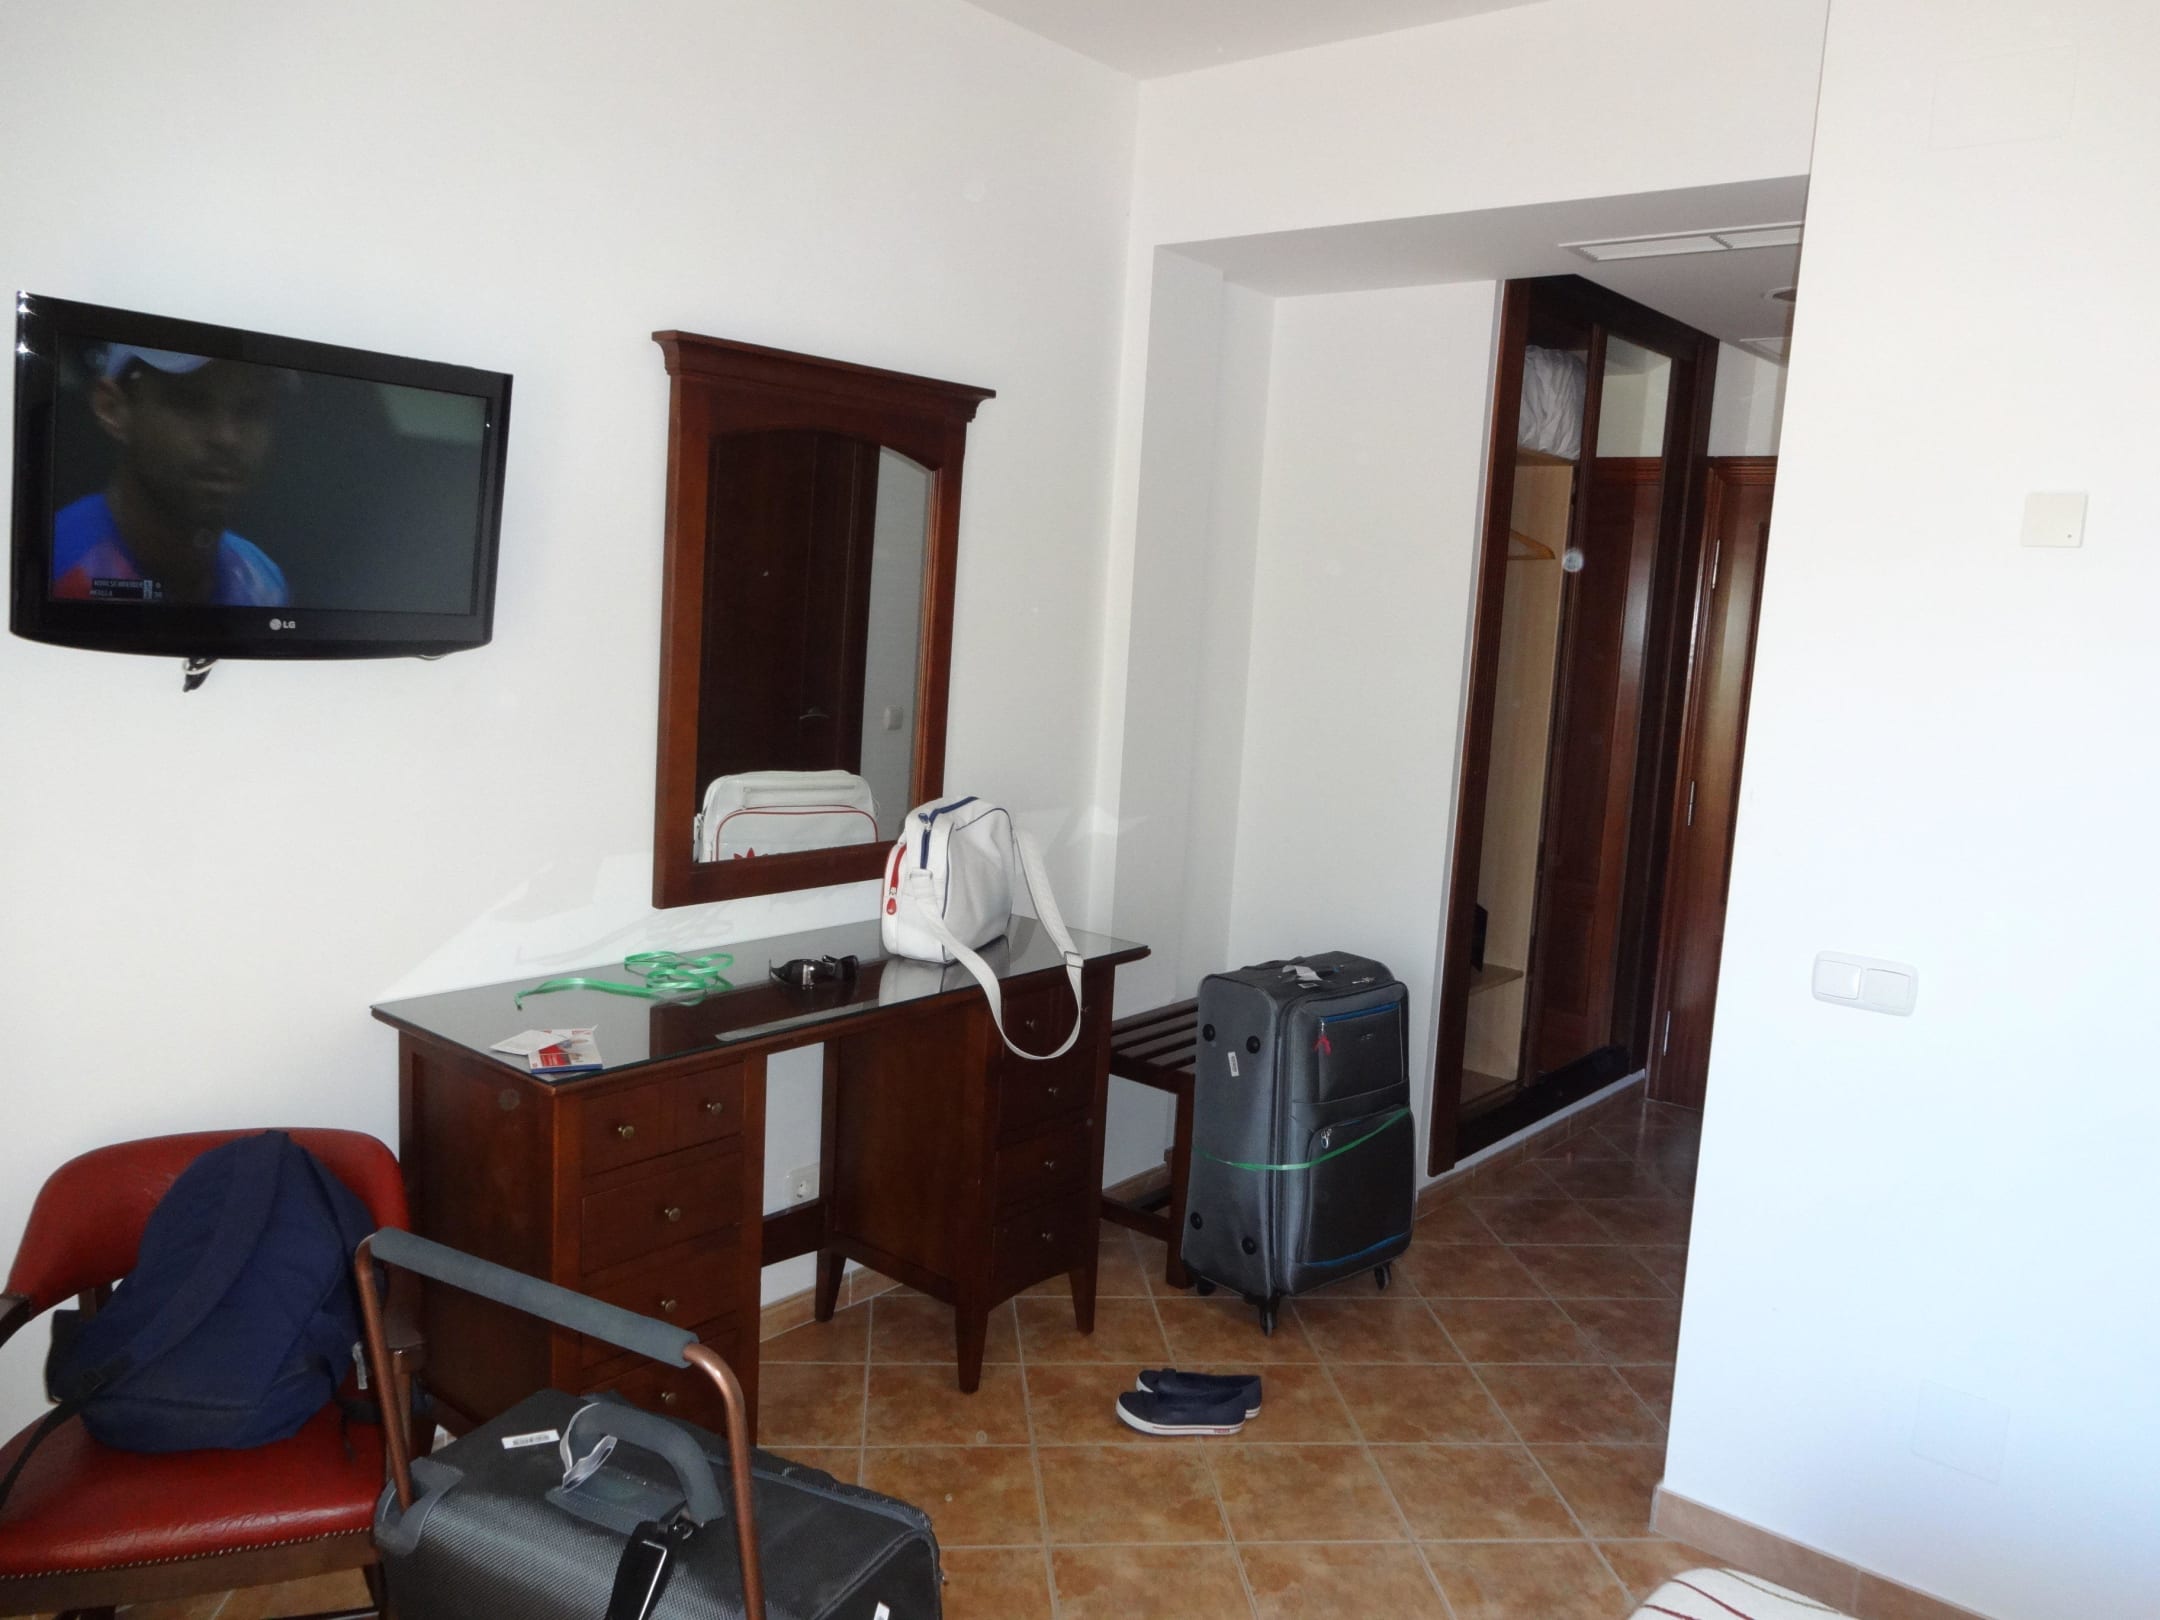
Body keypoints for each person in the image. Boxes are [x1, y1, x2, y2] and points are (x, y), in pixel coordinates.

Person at [51, 345, 289, 606]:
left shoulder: (263, 582)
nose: (226, 438)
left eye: (252, 408)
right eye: (190, 403)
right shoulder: (52, 564)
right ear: (112, 407)